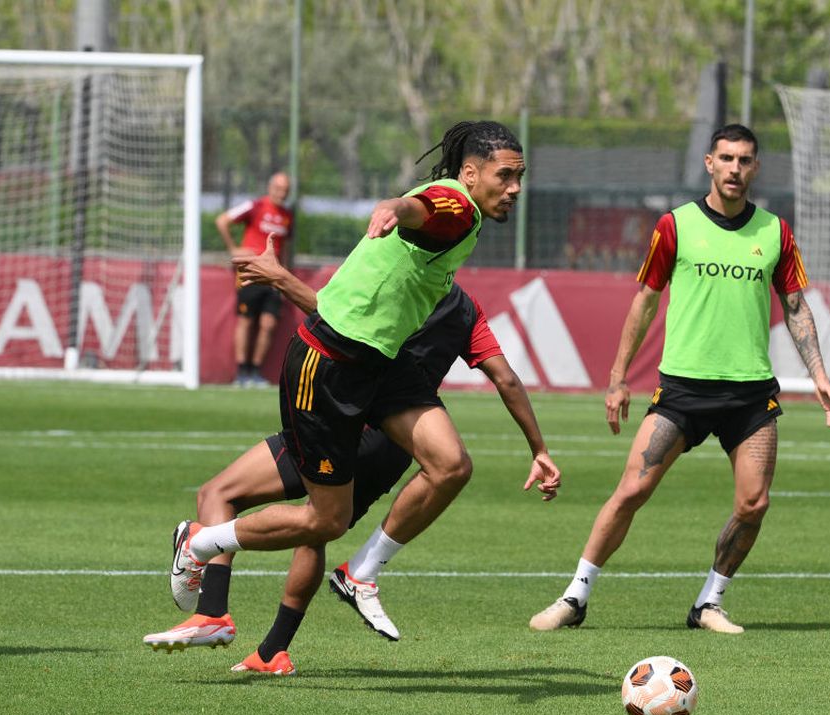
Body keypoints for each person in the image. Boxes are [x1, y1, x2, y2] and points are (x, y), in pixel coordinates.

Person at [166, 121, 528, 636]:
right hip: (328, 370)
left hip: (372, 369)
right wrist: (395, 209)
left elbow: (346, 304)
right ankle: (203, 549)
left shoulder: (452, 247)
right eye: (506, 175)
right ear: (471, 174)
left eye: (520, 177)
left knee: (445, 467)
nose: (514, 187)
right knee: (323, 522)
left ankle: (339, 586)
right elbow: (424, 210)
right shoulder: (456, 205)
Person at [145, 240, 559, 675]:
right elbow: (506, 379)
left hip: (351, 420)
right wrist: (539, 449)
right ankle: (272, 652)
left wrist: (281, 277)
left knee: (221, 492)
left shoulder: (400, 286)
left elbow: (336, 325)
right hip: (401, 445)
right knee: (318, 526)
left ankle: (210, 601)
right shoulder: (467, 310)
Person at [529, 124, 830, 635]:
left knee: (754, 504)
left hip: (750, 394)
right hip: (681, 391)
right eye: (726, 158)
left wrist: (819, 375)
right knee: (630, 493)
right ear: (709, 163)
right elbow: (645, 300)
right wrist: (617, 379)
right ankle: (575, 597)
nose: (735, 168)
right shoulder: (675, 225)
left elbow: (794, 304)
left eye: (745, 160)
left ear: (755, 168)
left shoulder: (775, 232)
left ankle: (708, 603)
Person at [216, 171, 293, 386]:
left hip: (273, 276)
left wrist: (284, 275)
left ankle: (256, 372)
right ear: (270, 187)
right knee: (246, 320)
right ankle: (242, 372)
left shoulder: (288, 215)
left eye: (286, 190)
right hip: (251, 272)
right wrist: (235, 249)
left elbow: (283, 248)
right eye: (278, 189)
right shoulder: (255, 206)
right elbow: (222, 221)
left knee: (268, 324)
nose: (282, 193)